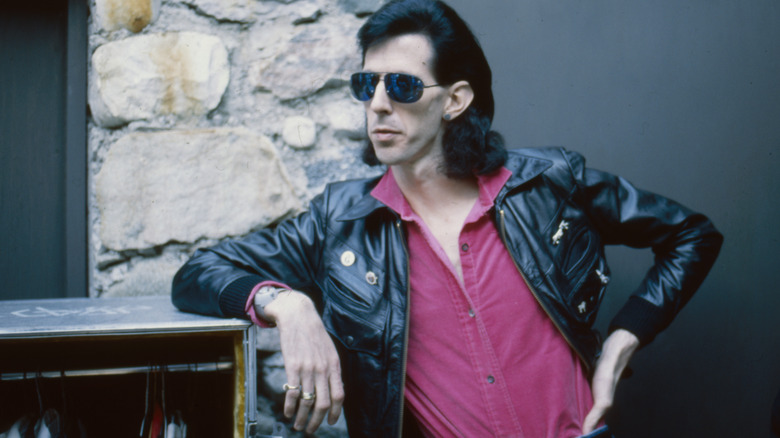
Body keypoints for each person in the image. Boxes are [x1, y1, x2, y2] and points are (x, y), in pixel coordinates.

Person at [172, 0, 723, 436]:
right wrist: (289, 305)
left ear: (455, 100)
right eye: (368, 84)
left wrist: (624, 340)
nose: (379, 104)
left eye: (403, 85)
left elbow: (692, 235)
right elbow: (197, 273)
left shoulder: (545, 184)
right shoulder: (340, 222)